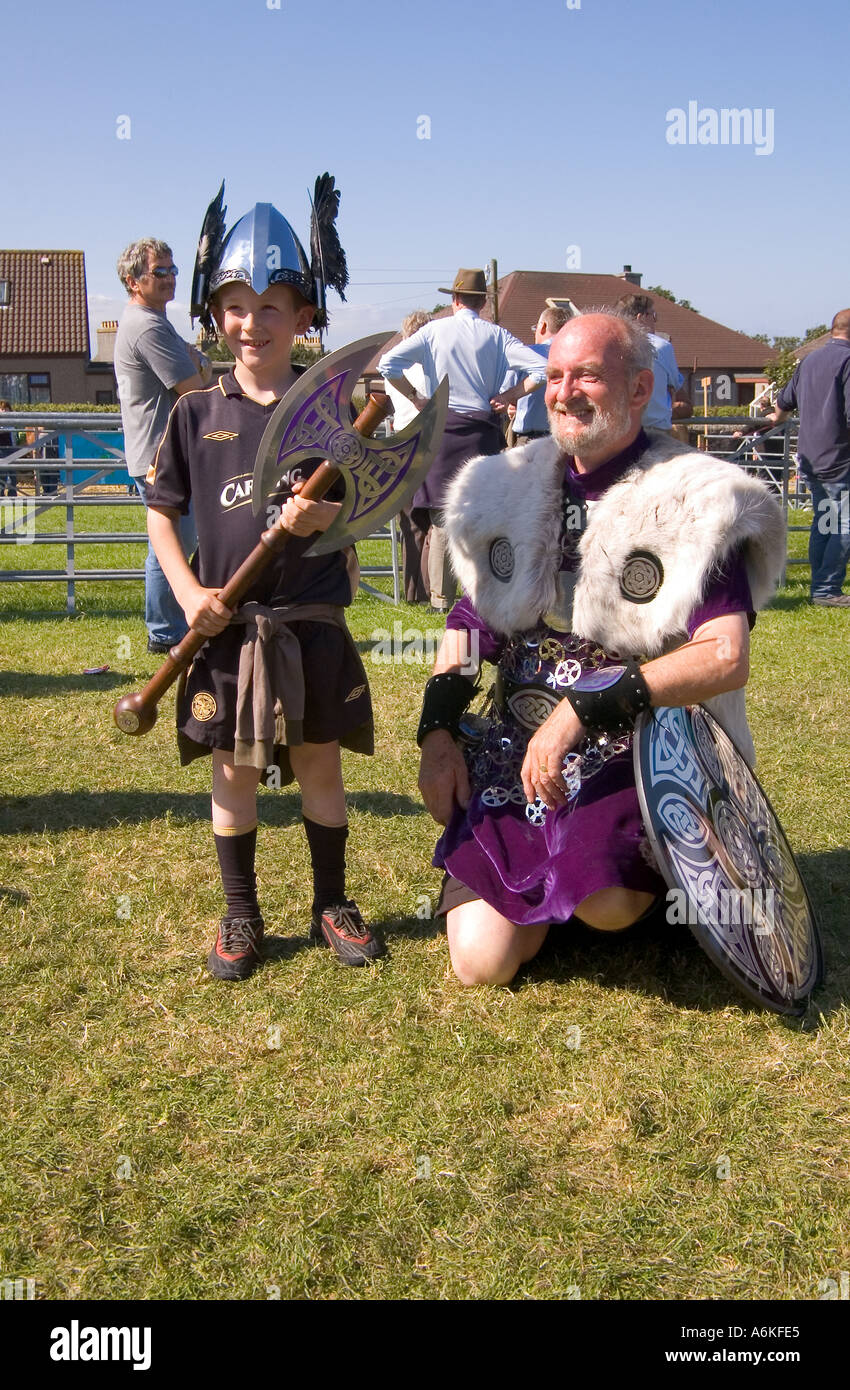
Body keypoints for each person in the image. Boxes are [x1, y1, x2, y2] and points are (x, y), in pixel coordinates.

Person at [416, 313, 785, 986]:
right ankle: (547, 887)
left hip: (637, 751)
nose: (564, 393)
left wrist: (584, 709)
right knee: (480, 964)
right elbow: (471, 623)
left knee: (607, 906)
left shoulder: (698, 499)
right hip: (516, 755)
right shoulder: (508, 485)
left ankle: (618, 886)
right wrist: (437, 732)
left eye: (587, 375)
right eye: (554, 376)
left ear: (640, 388)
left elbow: (724, 654)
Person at [145, 181, 383, 981]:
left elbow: (363, 508)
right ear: (217, 316)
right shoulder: (193, 412)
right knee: (234, 770)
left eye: (272, 307)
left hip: (310, 618)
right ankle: (241, 913)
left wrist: (327, 521)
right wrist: (187, 596)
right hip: (227, 626)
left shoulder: (337, 413)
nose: (253, 324)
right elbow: (162, 514)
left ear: (306, 318)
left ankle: (329, 902)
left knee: (319, 762)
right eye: (237, 307)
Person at [378, 268, 547, 611]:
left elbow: (387, 364)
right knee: (483, 515)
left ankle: (441, 600)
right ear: (483, 301)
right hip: (482, 432)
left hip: (441, 430)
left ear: (453, 300)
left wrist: (415, 398)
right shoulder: (498, 335)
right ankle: (480, 593)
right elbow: (543, 368)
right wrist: (510, 394)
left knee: (442, 518)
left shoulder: (434, 331)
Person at [114, 238, 211, 653]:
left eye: (173, 270)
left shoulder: (150, 320)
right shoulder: (148, 326)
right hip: (160, 453)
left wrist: (195, 359)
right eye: (161, 272)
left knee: (173, 541)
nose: (171, 278)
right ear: (133, 281)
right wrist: (201, 361)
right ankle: (165, 633)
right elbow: (193, 386)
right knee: (173, 544)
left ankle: (167, 628)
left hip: (157, 450)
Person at [755, 309, 850, 607]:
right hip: (841, 458)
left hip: (810, 457)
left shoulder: (809, 361)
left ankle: (820, 586)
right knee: (843, 524)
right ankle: (827, 589)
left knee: (825, 520)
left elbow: (783, 404)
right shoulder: (848, 362)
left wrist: (774, 418)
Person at [383, 309, 432, 603]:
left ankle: (412, 590)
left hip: (399, 442)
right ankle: (431, 588)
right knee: (431, 520)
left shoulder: (395, 370)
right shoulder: (426, 368)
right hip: (425, 441)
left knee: (409, 522)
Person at [505, 304, 573, 445]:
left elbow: (506, 391)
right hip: (564, 437)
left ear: (542, 327)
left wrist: (512, 403)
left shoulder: (529, 353)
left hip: (529, 438)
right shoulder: (576, 355)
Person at [617, 293, 683, 432]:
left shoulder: (609, 345)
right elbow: (676, 385)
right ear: (641, 317)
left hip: (618, 433)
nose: (655, 321)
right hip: (655, 432)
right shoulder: (661, 346)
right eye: (653, 316)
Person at [0, 401, 17, 497]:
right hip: (1, 450)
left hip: (11, 449)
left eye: (6, 409)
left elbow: (14, 436)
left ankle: (12, 494)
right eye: (2, 409)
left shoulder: (12, 422)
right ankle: (1, 495)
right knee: (2, 474)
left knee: (12, 474)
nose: (5, 411)